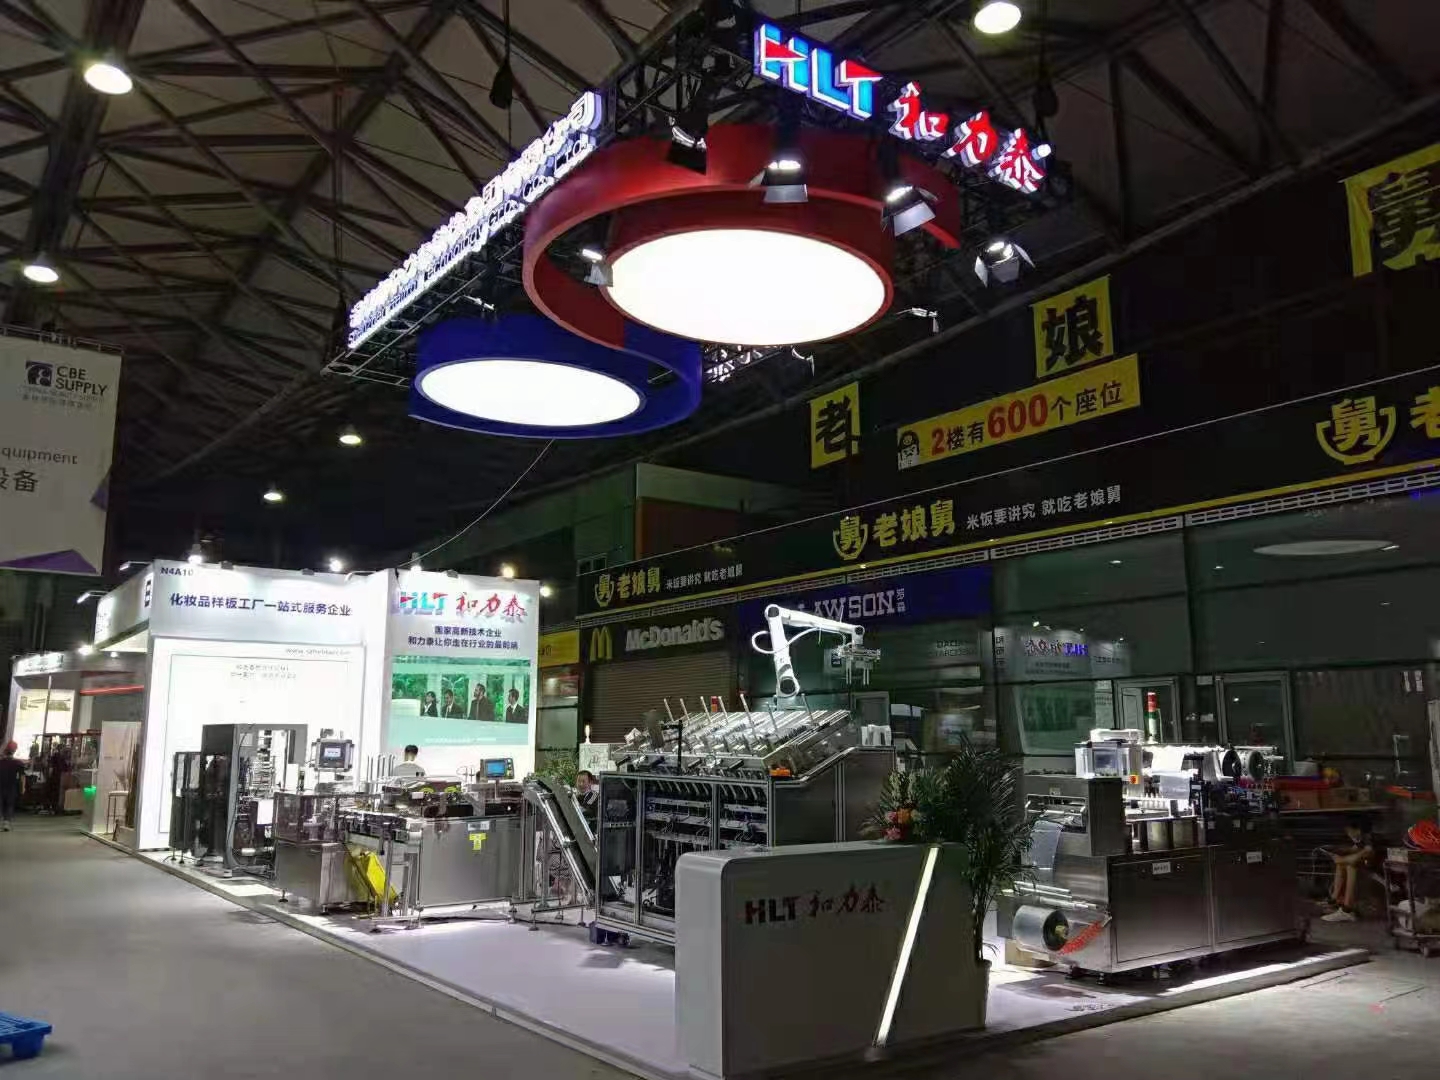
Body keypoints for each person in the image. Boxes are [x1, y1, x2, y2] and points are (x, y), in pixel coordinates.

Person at [1320, 817, 1381, 922]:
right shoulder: (1362, 840)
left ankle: (1347, 910)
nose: (1349, 834)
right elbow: (1354, 850)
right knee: (1342, 865)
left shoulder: (1369, 839)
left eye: (1350, 831)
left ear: (1358, 830)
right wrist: (1337, 852)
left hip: (1378, 873)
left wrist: (1340, 859)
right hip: (1369, 869)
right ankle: (1335, 901)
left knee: (1351, 866)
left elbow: (1358, 856)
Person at [0, 741, 24, 830]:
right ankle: (6, 823)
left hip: (1, 785)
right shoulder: (18, 763)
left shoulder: (1, 762)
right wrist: (23, 787)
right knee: (9, 804)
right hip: (12, 786)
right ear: (14, 751)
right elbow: (22, 776)